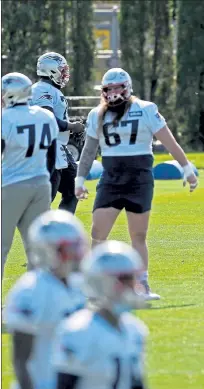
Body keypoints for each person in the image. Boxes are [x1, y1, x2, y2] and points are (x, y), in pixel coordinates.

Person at [75, 68, 198, 300]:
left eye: (117, 87)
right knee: (98, 232)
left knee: (138, 235)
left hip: (139, 178)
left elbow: (169, 142)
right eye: (108, 89)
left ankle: (141, 285)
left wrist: (187, 168)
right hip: (111, 178)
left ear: (127, 87)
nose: (112, 93)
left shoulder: (146, 109)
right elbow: (89, 150)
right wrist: (80, 179)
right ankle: (96, 284)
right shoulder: (97, 114)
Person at [4, 210, 88, 389]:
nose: (76, 253)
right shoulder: (30, 290)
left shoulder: (79, 285)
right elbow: (21, 359)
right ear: (47, 249)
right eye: (69, 247)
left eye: (77, 245)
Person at [52, 241, 148, 389]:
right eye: (125, 279)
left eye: (132, 278)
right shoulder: (78, 331)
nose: (133, 285)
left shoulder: (135, 329)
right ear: (102, 282)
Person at [1, 72, 58, 278]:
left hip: (11, 186)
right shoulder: (45, 116)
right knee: (38, 249)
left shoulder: (5, 118)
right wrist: (45, 179)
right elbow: (51, 155)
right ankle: (37, 303)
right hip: (41, 184)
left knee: (1, 247)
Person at [30, 52, 85, 214]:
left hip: (59, 147)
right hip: (46, 148)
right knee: (47, 197)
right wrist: (72, 126)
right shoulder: (41, 89)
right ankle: (41, 232)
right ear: (51, 71)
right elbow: (48, 119)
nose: (64, 74)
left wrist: (70, 130)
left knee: (73, 188)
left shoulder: (52, 90)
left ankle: (62, 227)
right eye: (62, 70)